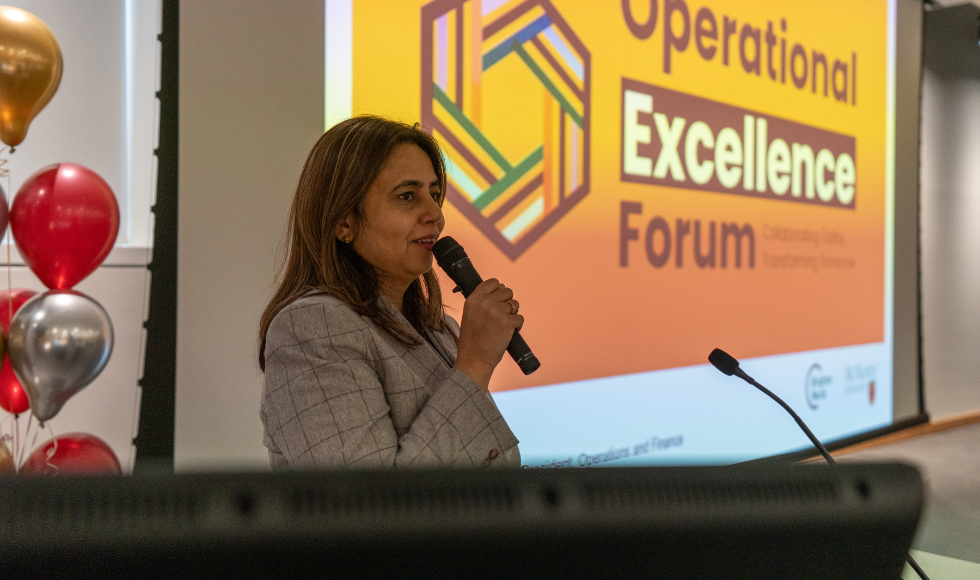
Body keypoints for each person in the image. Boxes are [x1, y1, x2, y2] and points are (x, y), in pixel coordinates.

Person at [258, 116, 523, 469]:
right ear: (344, 222)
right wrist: (475, 364)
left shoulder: (439, 329)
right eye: (407, 196)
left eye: (435, 194)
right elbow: (370, 508)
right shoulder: (312, 327)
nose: (435, 215)